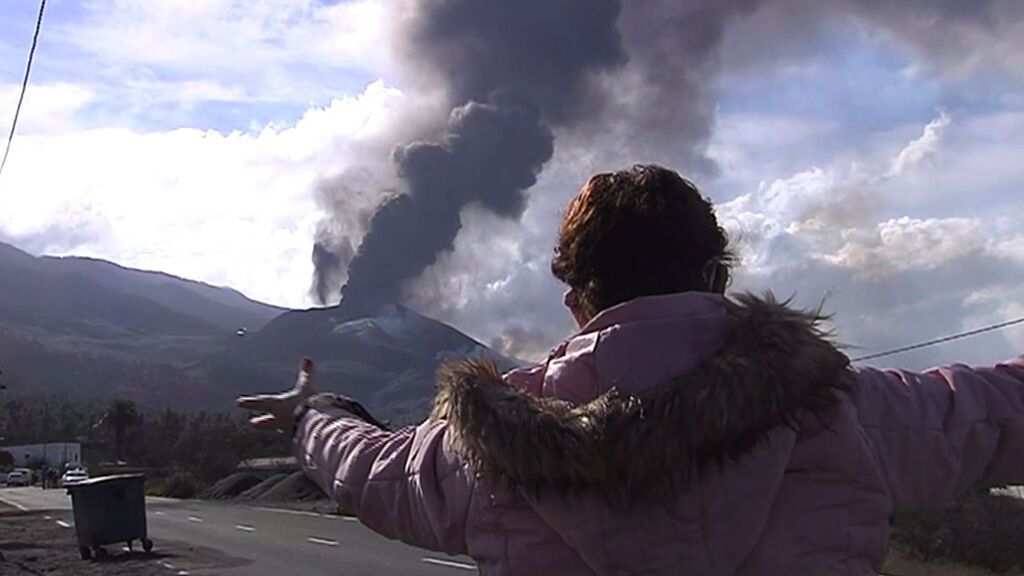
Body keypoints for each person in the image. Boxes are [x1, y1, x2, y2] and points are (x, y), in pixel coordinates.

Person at [238, 164, 1024, 575]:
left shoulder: (483, 449)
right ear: (717, 278)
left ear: (579, 301)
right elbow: (996, 409)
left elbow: (378, 470)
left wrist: (314, 416)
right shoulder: (846, 413)